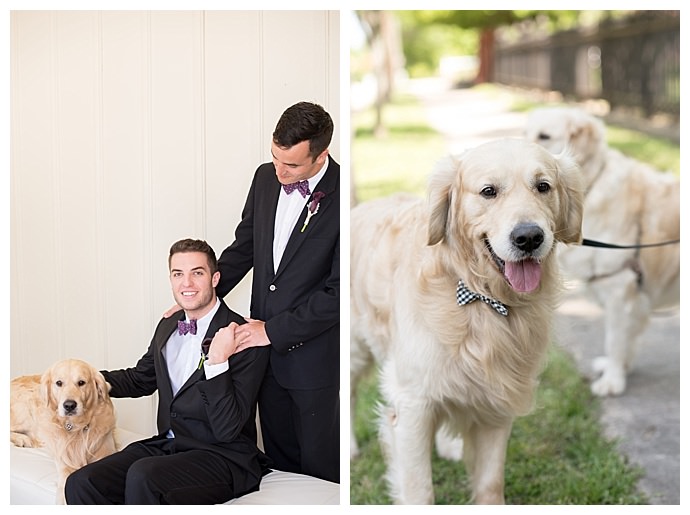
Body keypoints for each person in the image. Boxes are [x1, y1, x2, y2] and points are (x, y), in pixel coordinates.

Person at [167, 101, 340, 483]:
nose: (280, 172)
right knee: (278, 464)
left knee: (321, 467)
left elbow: (338, 294)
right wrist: (195, 297)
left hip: (313, 359)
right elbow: (245, 246)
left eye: (291, 165)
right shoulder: (265, 179)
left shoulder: (345, 195)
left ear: (321, 154)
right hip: (263, 359)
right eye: (275, 158)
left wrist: (272, 330)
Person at [65, 239, 270, 504]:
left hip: (223, 456)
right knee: (82, 482)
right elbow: (141, 378)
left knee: (144, 475)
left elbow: (228, 429)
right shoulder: (168, 326)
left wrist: (217, 361)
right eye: (178, 274)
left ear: (215, 278)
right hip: (171, 446)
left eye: (197, 273)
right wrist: (84, 381)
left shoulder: (244, 336)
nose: (187, 283)